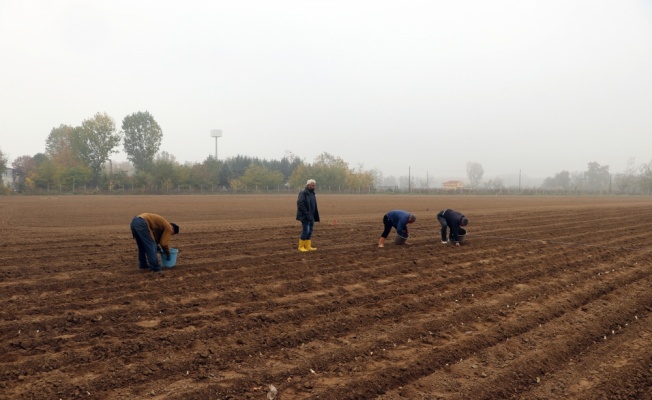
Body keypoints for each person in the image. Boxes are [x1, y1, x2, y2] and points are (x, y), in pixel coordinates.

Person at [296, 179, 320, 252]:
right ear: (308, 185)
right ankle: (301, 247)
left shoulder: (312, 193)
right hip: (305, 216)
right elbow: (300, 204)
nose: (314, 187)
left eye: (314, 185)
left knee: (310, 231)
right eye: (312, 185)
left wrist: (313, 215)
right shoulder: (303, 193)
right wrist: (307, 214)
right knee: (306, 230)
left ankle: (308, 246)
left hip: (312, 216)